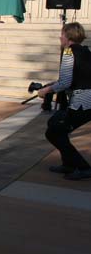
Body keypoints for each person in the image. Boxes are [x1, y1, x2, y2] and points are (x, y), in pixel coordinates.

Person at [38, 22, 91, 180]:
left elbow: (65, 82)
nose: (60, 37)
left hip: (83, 101)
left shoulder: (68, 52)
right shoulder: (86, 51)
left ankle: (83, 167)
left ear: (68, 37)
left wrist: (45, 90)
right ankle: (68, 164)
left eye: (62, 34)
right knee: (56, 127)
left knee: (54, 131)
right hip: (86, 100)